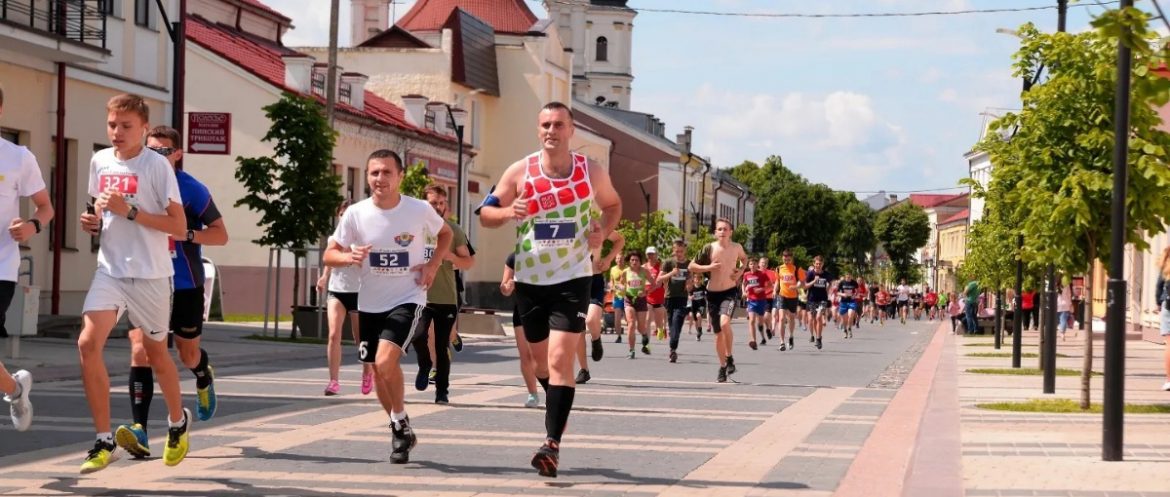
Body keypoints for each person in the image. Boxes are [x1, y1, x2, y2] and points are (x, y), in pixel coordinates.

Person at [477, 102, 622, 477]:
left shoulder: (590, 171)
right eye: (544, 124)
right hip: (530, 280)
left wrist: (602, 232)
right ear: (537, 129)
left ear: (571, 130)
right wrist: (511, 212)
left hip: (573, 278)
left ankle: (551, 444)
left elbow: (613, 206)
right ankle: (555, 405)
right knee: (539, 363)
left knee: (560, 362)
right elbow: (486, 214)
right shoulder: (520, 171)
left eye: (558, 124)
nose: (551, 131)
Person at [77, 94, 190, 473]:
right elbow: (100, 207)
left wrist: (132, 212)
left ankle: (177, 422)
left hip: (152, 274)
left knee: (157, 355)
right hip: (110, 269)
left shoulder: (157, 167)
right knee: (87, 343)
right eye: (112, 125)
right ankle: (103, 439)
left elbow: (178, 227)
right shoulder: (99, 160)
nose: (117, 132)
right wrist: (93, 222)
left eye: (126, 126)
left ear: (143, 128)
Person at [324, 149, 452, 465]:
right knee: (379, 373)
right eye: (374, 173)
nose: (379, 179)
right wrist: (348, 258)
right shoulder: (355, 213)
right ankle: (399, 424)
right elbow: (330, 253)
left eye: (386, 172)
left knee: (384, 362)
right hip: (369, 303)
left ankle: (399, 423)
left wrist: (433, 265)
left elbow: (445, 233)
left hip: (407, 298)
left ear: (400, 176)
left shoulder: (419, 209)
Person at [114, 126, 229, 460]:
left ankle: (202, 373)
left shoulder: (191, 189)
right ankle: (140, 431)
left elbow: (220, 235)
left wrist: (186, 233)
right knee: (140, 350)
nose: (158, 157)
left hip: (183, 284)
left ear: (178, 154)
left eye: (165, 151)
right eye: (152, 150)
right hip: (144, 281)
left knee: (187, 355)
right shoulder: (133, 180)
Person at [0, 83, 53, 432]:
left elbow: (46, 207)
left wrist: (32, 225)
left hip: (0, 267)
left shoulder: (18, 157)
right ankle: (17, 389)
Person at [414, 185, 474, 404]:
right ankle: (424, 365)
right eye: (432, 203)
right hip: (419, 295)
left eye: (441, 203)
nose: (437, 207)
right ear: (424, 204)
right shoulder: (414, 228)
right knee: (418, 335)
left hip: (446, 297)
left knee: (441, 346)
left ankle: (442, 392)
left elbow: (469, 262)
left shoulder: (454, 231)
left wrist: (451, 257)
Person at [317, 201, 370, 396]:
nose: (344, 217)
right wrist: (324, 277)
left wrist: (353, 257)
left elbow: (368, 265)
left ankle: (367, 372)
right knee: (333, 334)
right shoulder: (335, 238)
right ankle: (333, 381)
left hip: (357, 292)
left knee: (360, 339)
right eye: (342, 214)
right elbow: (329, 261)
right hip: (336, 291)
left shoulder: (361, 239)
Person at [690, 218, 747, 383]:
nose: (722, 232)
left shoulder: (737, 247)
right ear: (715, 232)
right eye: (719, 229)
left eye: (726, 229)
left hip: (729, 292)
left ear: (731, 232)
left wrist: (740, 271)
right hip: (712, 294)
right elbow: (692, 266)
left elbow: (744, 259)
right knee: (718, 336)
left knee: (724, 323)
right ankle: (723, 366)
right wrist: (707, 268)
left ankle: (729, 357)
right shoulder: (709, 248)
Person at [577, 230, 624, 383]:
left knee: (590, 320)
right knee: (578, 330)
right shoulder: (568, 224)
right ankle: (584, 370)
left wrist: (608, 258)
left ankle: (596, 340)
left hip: (594, 280)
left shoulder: (597, 226)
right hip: (575, 282)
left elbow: (620, 240)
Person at [503, 253, 541, 407]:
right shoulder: (513, 258)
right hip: (522, 309)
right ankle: (533, 393)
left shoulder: (548, 253)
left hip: (546, 308)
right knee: (525, 355)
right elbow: (504, 288)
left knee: (541, 356)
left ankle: (553, 388)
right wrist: (507, 287)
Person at [658, 240, 691, 363]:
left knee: (678, 322)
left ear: (684, 251)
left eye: (681, 251)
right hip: (669, 297)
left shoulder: (688, 264)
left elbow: (689, 279)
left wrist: (689, 285)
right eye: (676, 251)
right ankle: (673, 349)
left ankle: (673, 347)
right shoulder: (668, 262)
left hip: (682, 297)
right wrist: (672, 273)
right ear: (673, 250)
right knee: (672, 324)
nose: (679, 253)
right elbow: (659, 279)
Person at [620, 252, 652, 358]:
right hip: (629, 299)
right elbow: (620, 284)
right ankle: (632, 350)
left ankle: (644, 336)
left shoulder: (644, 271)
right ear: (629, 261)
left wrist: (645, 292)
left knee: (641, 327)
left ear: (640, 262)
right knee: (631, 324)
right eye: (632, 260)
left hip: (641, 300)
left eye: (636, 260)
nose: (634, 262)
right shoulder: (625, 272)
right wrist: (621, 289)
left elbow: (654, 284)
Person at [773, 250, 806, 351]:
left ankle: (791, 336)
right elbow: (777, 281)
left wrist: (796, 286)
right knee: (782, 318)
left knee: (791, 318)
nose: (786, 260)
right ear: (782, 258)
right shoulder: (779, 269)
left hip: (793, 297)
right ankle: (782, 342)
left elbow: (802, 282)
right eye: (784, 258)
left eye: (788, 259)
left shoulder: (797, 269)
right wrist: (774, 290)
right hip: (782, 295)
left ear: (791, 258)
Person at [802, 256, 831, 350]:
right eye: (817, 263)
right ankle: (816, 335)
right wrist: (814, 281)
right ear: (814, 264)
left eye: (820, 264)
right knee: (812, 319)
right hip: (812, 299)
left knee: (819, 317)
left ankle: (818, 338)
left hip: (822, 299)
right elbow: (805, 287)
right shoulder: (810, 273)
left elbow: (830, 283)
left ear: (823, 264)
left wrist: (828, 287)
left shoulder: (826, 274)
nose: (818, 265)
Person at [742, 259, 770, 350]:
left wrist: (761, 289)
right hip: (751, 300)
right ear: (749, 265)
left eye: (754, 264)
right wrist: (743, 292)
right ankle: (753, 341)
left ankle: (764, 328)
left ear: (757, 265)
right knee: (752, 320)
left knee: (760, 323)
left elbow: (770, 285)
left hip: (761, 300)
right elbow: (743, 284)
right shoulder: (746, 274)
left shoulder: (762, 274)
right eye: (751, 264)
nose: (752, 265)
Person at [1155, 247, 1170, 392]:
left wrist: (1159, 303)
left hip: (1168, 305)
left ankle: (1169, 380)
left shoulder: (1165, 268)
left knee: (1169, 344)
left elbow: (1159, 287)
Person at [645, 246, 667, 342]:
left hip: (658, 298)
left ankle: (661, 330)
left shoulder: (661, 267)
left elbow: (658, 284)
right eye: (649, 254)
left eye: (652, 254)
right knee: (647, 320)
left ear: (656, 255)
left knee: (659, 323)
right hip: (647, 298)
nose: (650, 256)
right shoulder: (643, 267)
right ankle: (646, 342)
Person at [836, 273, 860, 339]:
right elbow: (837, 292)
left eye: (849, 277)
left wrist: (854, 295)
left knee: (850, 315)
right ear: (845, 277)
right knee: (845, 319)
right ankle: (845, 330)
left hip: (852, 301)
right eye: (847, 277)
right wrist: (843, 294)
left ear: (851, 277)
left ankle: (849, 328)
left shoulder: (854, 282)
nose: (848, 278)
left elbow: (858, 290)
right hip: (843, 302)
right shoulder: (842, 283)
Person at [759, 257, 777, 340]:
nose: (763, 264)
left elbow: (776, 282)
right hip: (758, 298)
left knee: (766, 316)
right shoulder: (755, 273)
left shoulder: (771, 273)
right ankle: (768, 328)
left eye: (765, 263)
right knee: (762, 318)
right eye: (762, 263)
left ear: (767, 265)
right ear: (759, 264)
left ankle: (769, 328)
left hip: (768, 297)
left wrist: (774, 289)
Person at [609, 255, 626, 343]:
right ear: (615, 260)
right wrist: (611, 286)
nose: (619, 260)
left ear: (624, 260)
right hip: (617, 296)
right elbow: (611, 280)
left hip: (628, 296)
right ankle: (619, 336)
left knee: (629, 318)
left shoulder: (627, 269)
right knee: (617, 317)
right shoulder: (613, 269)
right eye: (618, 258)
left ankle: (632, 333)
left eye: (621, 258)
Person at [687, 271, 708, 340]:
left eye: (699, 279)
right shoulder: (692, 288)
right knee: (696, 321)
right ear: (694, 280)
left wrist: (705, 296)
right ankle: (699, 333)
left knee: (698, 316)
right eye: (696, 279)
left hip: (701, 305)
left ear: (701, 280)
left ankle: (699, 330)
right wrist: (691, 297)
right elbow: (689, 297)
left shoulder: (703, 287)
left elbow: (706, 295)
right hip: (694, 306)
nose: (698, 280)